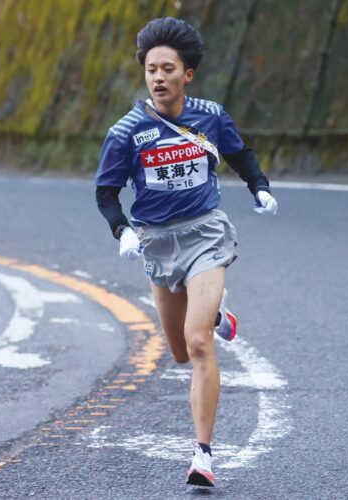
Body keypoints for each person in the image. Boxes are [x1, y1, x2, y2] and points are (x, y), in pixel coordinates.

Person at [94, 17, 278, 488]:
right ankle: (218, 314)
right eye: (151, 69)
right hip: (157, 240)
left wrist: (258, 187)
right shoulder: (127, 132)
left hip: (205, 234)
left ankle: (203, 455)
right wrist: (123, 231)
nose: (158, 77)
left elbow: (240, 153)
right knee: (178, 350)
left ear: (187, 74)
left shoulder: (210, 116)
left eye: (168, 69)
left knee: (198, 344)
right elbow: (107, 193)